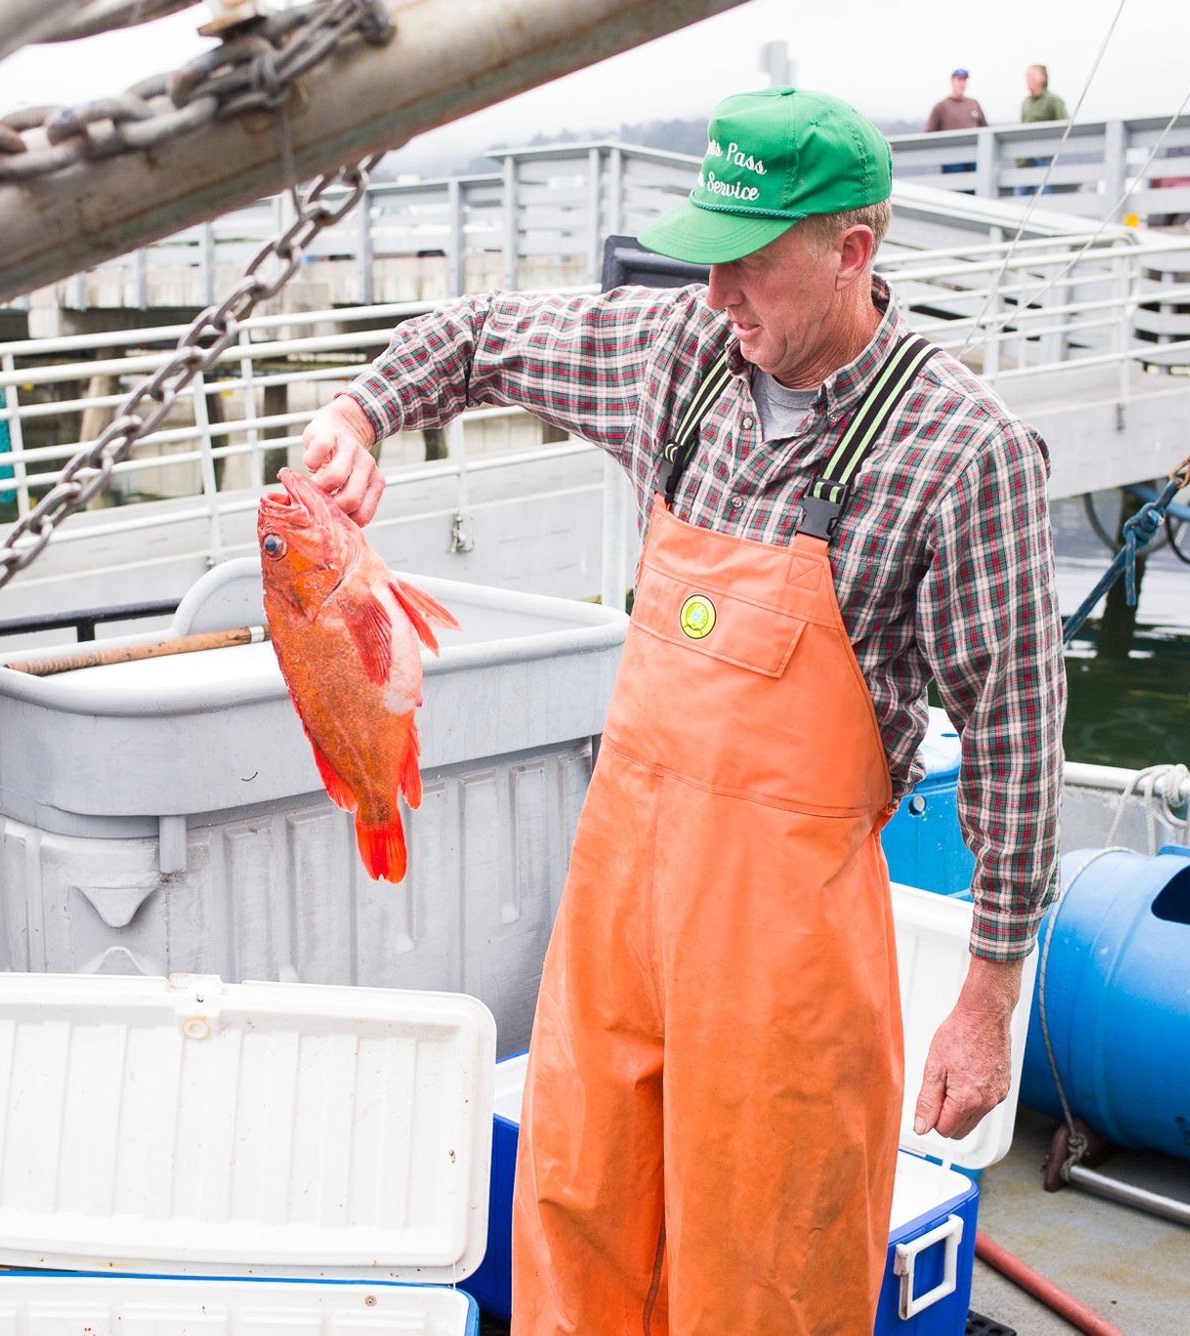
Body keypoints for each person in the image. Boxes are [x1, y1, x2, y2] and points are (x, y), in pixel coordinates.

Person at [298, 87, 1064, 1334]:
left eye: (749, 266)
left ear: (849, 252)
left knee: (763, 1268)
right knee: (573, 1208)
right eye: (706, 262)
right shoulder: (682, 353)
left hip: (786, 960)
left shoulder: (962, 448)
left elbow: (1020, 738)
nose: (718, 295)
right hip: (618, 913)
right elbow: (481, 334)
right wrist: (358, 411)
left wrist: (986, 999)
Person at [1016, 63, 1070, 193]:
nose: (1027, 79)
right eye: (1027, 76)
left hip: (1044, 159)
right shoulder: (1026, 103)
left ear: (1042, 78)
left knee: (1044, 195)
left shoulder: (1054, 101)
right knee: (1020, 196)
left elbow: (1065, 127)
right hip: (1026, 159)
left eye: (1031, 75)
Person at [925, 66, 988, 134]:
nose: (962, 84)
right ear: (952, 81)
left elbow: (985, 130)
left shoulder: (974, 104)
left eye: (964, 80)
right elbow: (928, 135)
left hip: (974, 144)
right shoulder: (941, 107)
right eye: (959, 79)